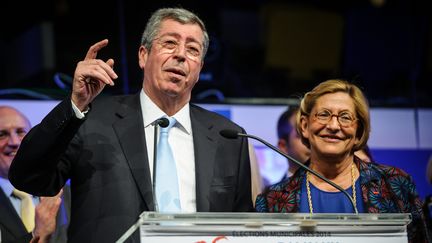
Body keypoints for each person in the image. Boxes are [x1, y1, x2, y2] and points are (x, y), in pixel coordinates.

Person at [9, 8, 253, 242]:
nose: (180, 55)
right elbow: (28, 178)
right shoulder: (91, 120)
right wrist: (75, 104)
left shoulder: (227, 137)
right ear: (143, 55)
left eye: (192, 49)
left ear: (199, 68)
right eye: (170, 43)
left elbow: (241, 226)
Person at [255, 79, 429, 243]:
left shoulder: (395, 185)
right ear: (305, 126)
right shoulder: (273, 199)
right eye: (323, 115)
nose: (333, 126)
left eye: (345, 117)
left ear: (359, 131)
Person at [0, 106, 70, 243]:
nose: (14, 142)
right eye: (2, 134)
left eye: (21, 132)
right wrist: (37, 234)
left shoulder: (66, 193)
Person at [276, 106, 310, 182]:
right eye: (301, 135)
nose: (311, 140)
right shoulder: (272, 193)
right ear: (283, 146)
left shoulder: (337, 188)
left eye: (314, 133)